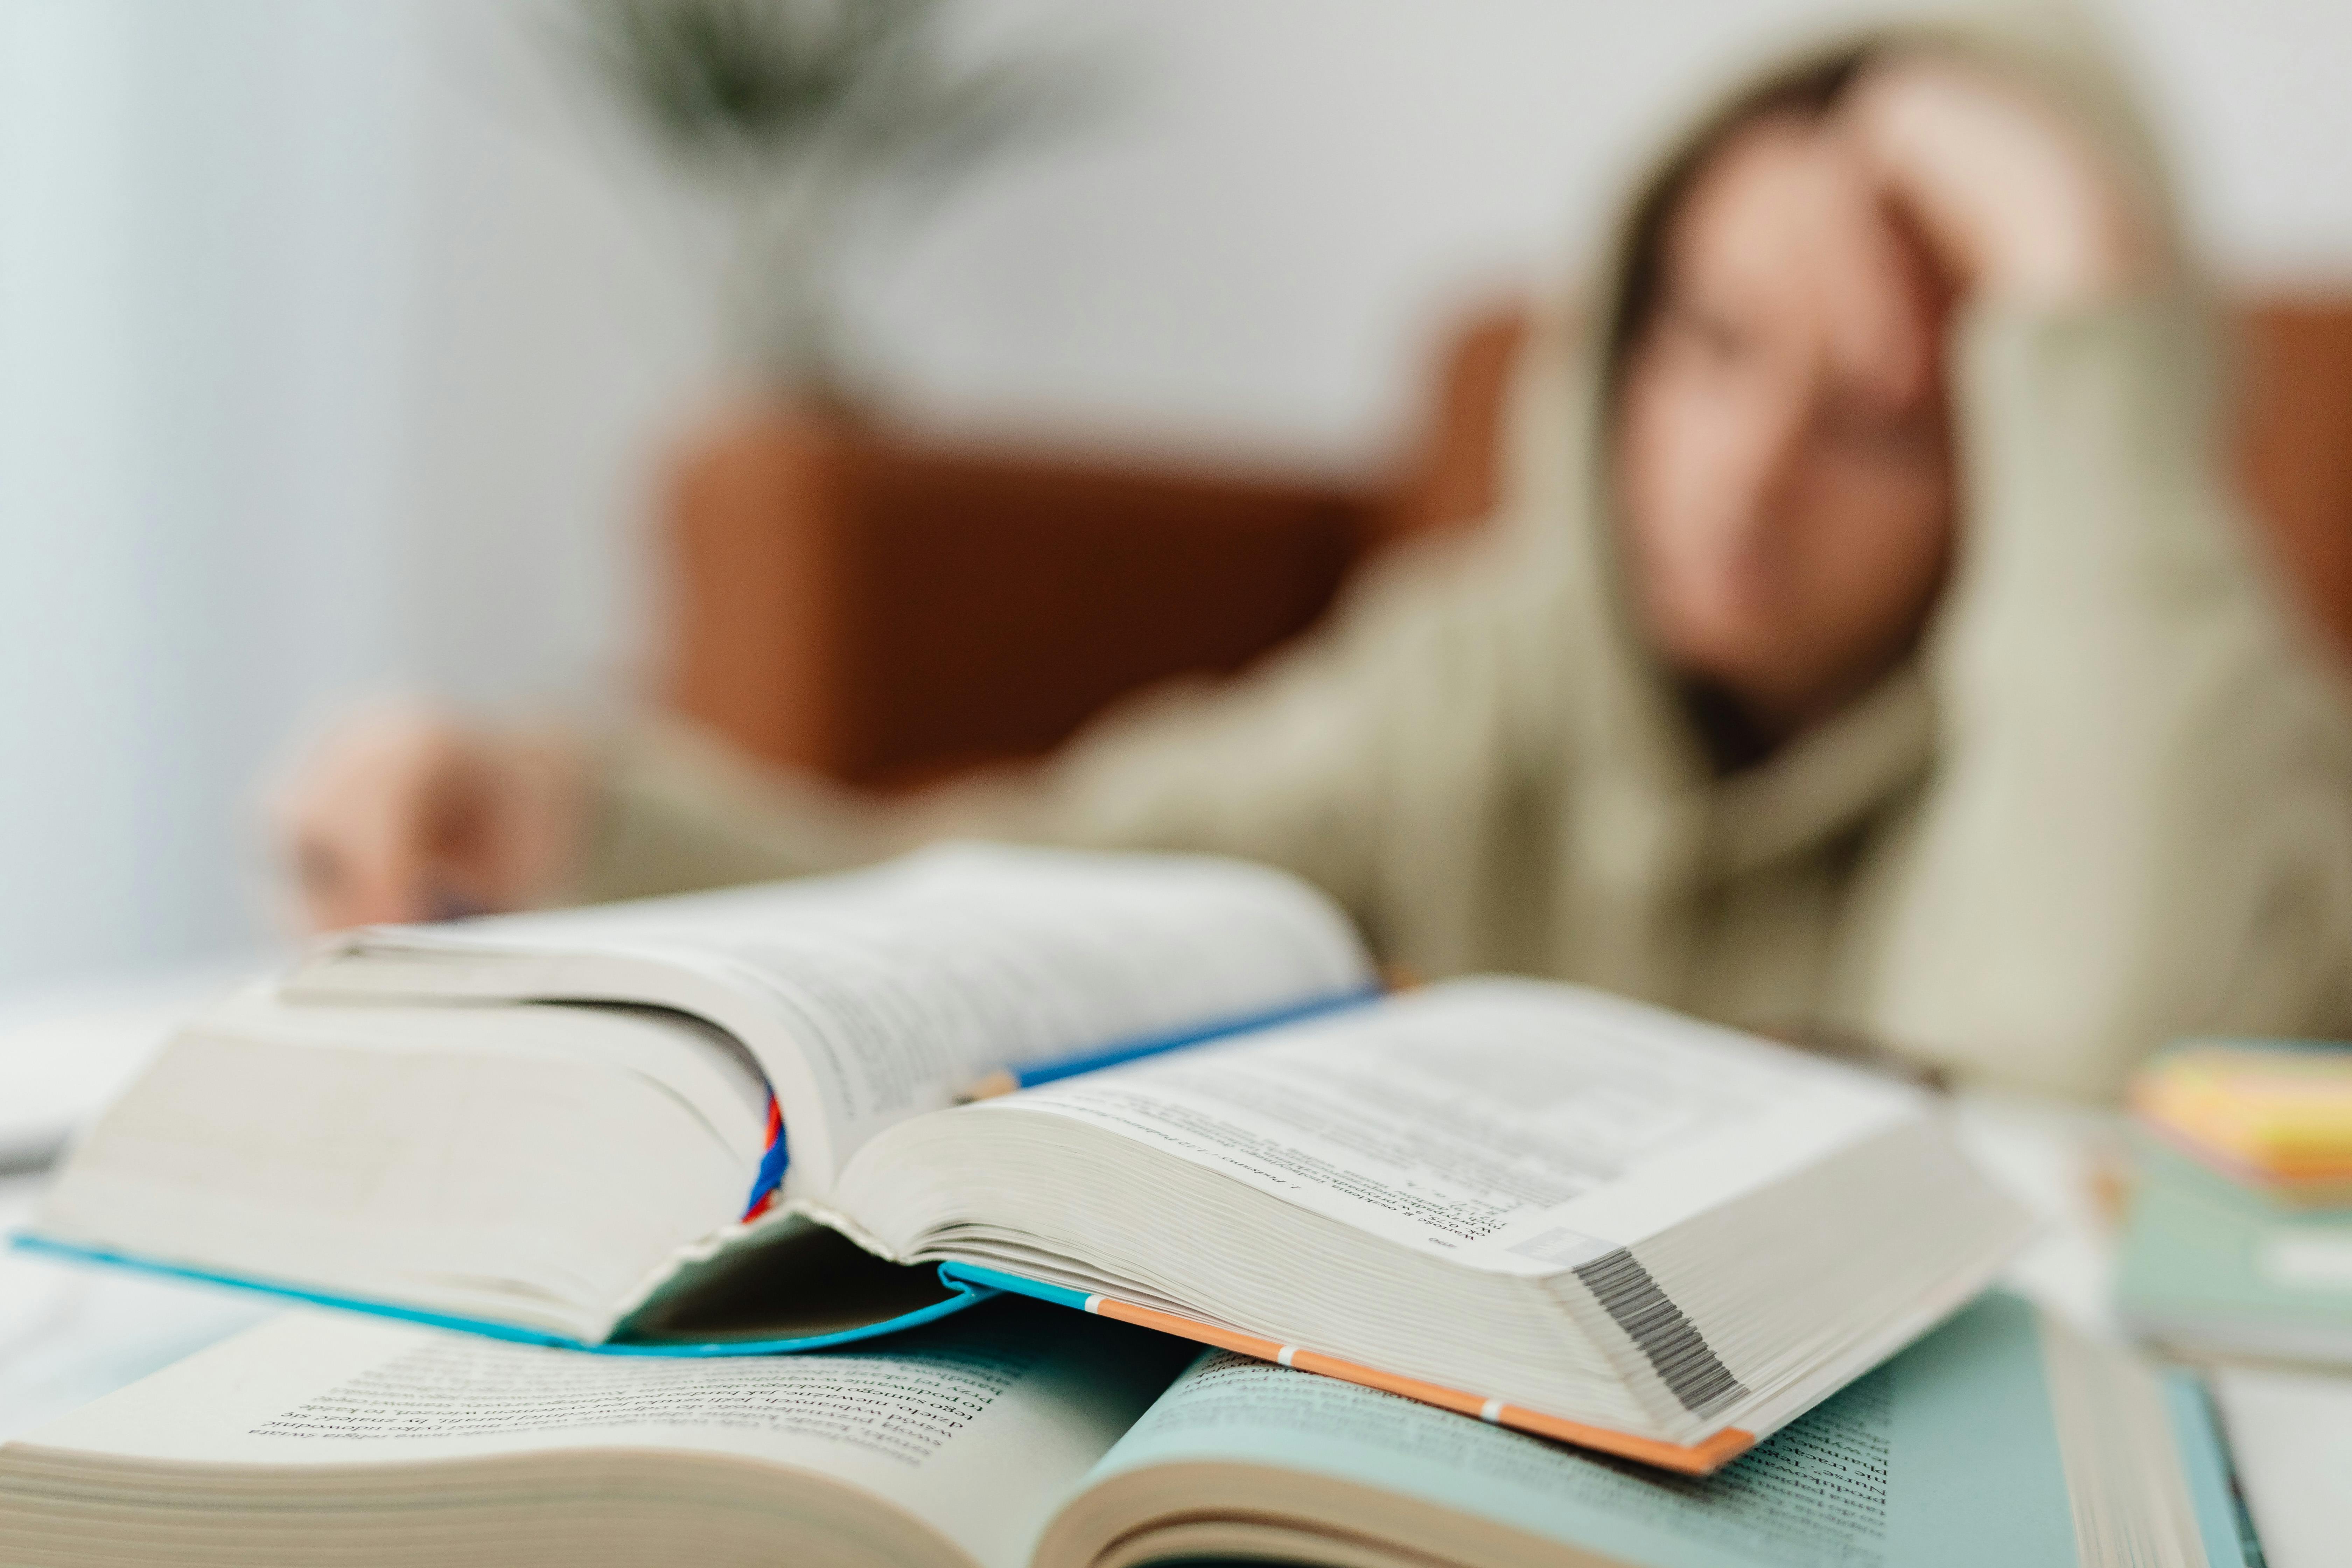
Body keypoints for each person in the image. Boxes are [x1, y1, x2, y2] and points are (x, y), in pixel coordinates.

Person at [276, 16, 2352, 1099]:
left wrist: (2078, 282)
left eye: (1879, 413)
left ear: (2038, 443)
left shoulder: (2204, 734)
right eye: (1709, 344)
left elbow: (2084, 1078)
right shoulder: (1485, 679)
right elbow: (1040, 872)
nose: (1744, 467)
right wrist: (574, 819)